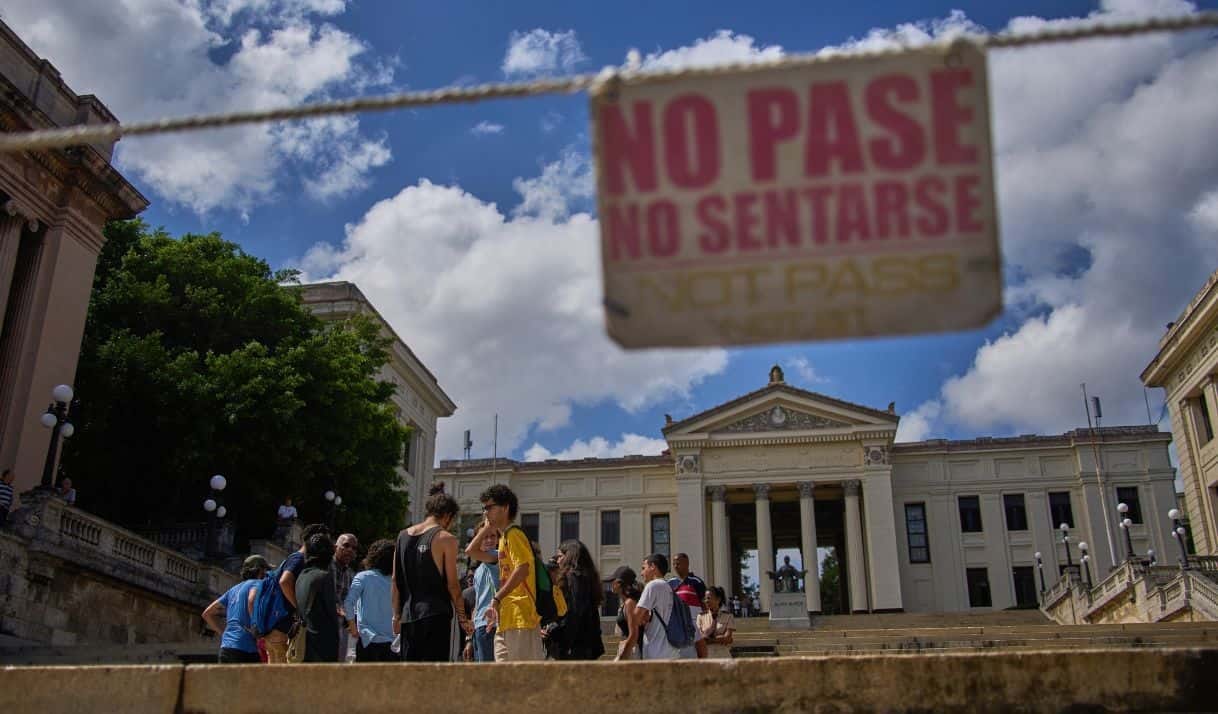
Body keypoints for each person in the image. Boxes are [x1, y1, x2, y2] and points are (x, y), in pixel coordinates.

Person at [392, 483, 472, 661]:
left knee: (410, 674)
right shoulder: (446, 539)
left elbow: (396, 580)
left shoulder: (402, 536)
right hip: (435, 615)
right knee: (434, 675)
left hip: (408, 615)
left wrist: (396, 615)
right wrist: (463, 619)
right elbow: (453, 585)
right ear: (448, 516)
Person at [467, 483, 543, 662]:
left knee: (522, 679)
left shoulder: (514, 534)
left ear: (505, 507)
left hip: (521, 618)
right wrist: (486, 528)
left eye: (489, 507)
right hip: (504, 620)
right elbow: (471, 551)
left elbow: (522, 569)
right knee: (501, 679)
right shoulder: (503, 540)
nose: (485, 512)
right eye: (483, 508)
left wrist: (496, 598)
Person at [267, 522, 330, 663]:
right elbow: (284, 581)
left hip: (277, 627)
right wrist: (299, 607)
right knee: (285, 678)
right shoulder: (299, 558)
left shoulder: (294, 558)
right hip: (282, 627)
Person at [201, 555, 269, 663]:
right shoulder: (258, 583)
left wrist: (223, 633)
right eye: (266, 570)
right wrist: (256, 628)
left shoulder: (233, 589)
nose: (267, 575)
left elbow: (207, 613)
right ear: (260, 570)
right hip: (247, 649)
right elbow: (251, 599)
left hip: (226, 648)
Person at [344, 538, 395, 662]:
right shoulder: (396, 581)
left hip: (367, 640)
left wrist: (353, 627)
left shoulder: (362, 577)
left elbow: (348, 603)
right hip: (392, 643)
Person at [554, 539, 605, 660]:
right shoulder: (588, 578)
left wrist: (562, 639)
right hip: (587, 645)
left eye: (560, 556)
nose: (558, 561)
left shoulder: (573, 578)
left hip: (575, 647)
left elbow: (575, 612)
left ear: (569, 556)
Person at [296, 533, 341, 662]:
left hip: (306, 640)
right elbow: (331, 613)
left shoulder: (302, 576)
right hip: (322, 643)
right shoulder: (324, 576)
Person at [635, 553, 680, 660]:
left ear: (653, 567)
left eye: (643, 568)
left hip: (656, 653)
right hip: (671, 652)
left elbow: (636, 618)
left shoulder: (653, 585)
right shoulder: (668, 587)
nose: (641, 573)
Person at [466, 521, 499, 662]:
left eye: (493, 536)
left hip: (492, 626)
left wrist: (487, 526)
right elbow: (479, 602)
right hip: (479, 627)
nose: (489, 540)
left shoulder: (497, 556)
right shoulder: (479, 569)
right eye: (484, 536)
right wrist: (469, 638)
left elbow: (470, 551)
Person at [670, 552, 708, 658]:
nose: (675, 566)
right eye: (674, 564)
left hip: (695, 627)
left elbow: (704, 604)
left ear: (686, 564)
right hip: (678, 627)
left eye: (678, 563)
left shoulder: (697, 582)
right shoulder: (670, 583)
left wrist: (704, 624)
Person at [332, 533, 359, 660]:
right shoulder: (325, 568)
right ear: (335, 547)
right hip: (322, 626)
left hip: (341, 629)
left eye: (354, 548)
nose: (350, 550)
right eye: (346, 545)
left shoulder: (351, 574)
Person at [609, 566, 642, 660]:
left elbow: (634, 635)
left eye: (613, 581)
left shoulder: (630, 603)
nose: (611, 584)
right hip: (628, 648)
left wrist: (622, 657)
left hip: (632, 650)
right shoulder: (626, 603)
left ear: (620, 584)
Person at [697, 586, 736, 659]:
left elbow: (727, 638)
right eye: (705, 598)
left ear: (718, 599)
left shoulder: (728, 616)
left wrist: (709, 639)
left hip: (723, 656)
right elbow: (700, 639)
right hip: (707, 656)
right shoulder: (700, 617)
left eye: (708, 598)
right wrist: (720, 638)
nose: (706, 601)